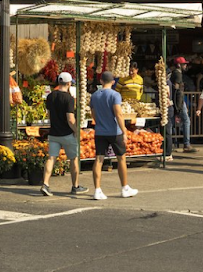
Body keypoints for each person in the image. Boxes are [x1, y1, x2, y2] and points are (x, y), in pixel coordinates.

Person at [89, 71, 137, 200]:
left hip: (100, 131)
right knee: (121, 158)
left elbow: (93, 113)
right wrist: (124, 130)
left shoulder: (94, 96)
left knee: (99, 159)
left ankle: (97, 190)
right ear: (113, 82)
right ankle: (124, 187)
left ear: (101, 81)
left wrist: (99, 122)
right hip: (114, 131)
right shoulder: (115, 95)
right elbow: (118, 114)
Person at [39, 72, 86, 197]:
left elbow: (49, 115)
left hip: (54, 133)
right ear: (69, 83)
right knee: (74, 159)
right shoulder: (69, 99)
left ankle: (45, 184)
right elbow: (70, 119)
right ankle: (75, 186)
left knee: (51, 158)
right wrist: (76, 130)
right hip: (67, 134)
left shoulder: (50, 96)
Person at [169, 57, 193, 153]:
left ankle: (169, 144)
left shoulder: (173, 73)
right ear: (179, 65)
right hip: (178, 100)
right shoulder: (178, 74)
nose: (186, 65)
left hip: (174, 100)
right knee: (186, 121)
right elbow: (178, 91)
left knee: (171, 122)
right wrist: (179, 105)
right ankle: (186, 144)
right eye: (184, 64)